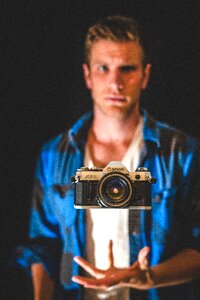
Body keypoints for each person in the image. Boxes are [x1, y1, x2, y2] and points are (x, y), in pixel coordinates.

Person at [13, 15, 200, 300]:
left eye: (127, 69)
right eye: (104, 68)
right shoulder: (55, 154)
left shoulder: (180, 152)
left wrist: (149, 277)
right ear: (88, 75)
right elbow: (43, 247)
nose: (115, 82)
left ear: (145, 75)